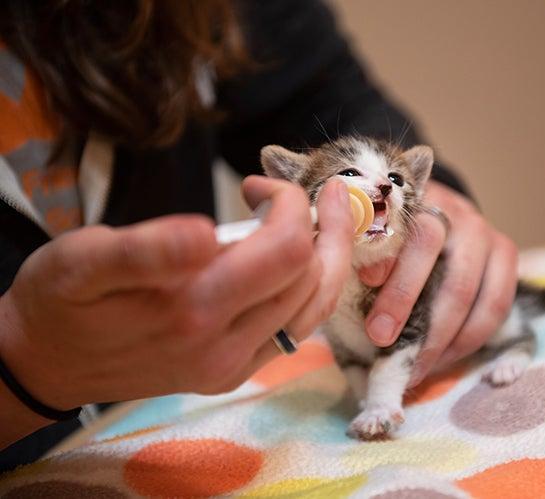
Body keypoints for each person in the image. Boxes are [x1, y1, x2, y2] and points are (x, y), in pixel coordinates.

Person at [0, 0, 517, 471]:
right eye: (353, 182)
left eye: (388, 182)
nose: (375, 187)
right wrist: (21, 370)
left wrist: (436, 199)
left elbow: (322, 91)